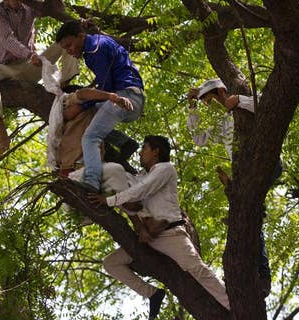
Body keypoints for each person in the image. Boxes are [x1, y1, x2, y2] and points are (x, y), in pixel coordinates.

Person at [89, 135, 230, 319]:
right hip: (148, 238)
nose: (140, 153)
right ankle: (153, 294)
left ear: (156, 152)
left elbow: (140, 191)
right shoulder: (140, 176)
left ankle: (232, 306)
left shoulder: (165, 169)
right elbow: (126, 189)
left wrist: (109, 201)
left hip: (170, 235)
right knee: (111, 263)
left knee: (197, 269)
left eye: (144, 149)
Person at [187, 78, 277, 297]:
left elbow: (268, 107)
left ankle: (263, 274)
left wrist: (239, 100)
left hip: (265, 163)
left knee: (250, 215)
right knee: (248, 217)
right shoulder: (224, 124)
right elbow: (199, 139)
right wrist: (192, 107)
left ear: (220, 91)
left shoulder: (245, 102)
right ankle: (256, 274)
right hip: (244, 175)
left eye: (212, 100)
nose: (213, 106)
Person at [55, 20, 145, 192]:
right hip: (128, 97)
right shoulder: (95, 44)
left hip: (125, 96)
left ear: (81, 37)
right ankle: (124, 142)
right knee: (88, 118)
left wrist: (80, 105)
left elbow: (106, 88)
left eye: (70, 46)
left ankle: (92, 182)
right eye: (65, 49)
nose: (69, 51)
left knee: (90, 138)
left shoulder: (96, 50)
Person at [0, 0, 78, 154]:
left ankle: (64, 85)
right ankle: (0, 127)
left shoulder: (29, 6)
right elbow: (7, 39)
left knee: (68, 36)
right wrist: (29, 54)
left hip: (30, 66)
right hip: (8, 68)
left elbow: (54, 9)